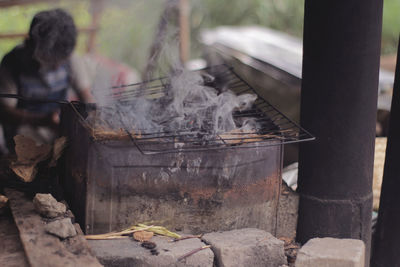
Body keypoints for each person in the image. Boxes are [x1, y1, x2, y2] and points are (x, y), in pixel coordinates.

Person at [0, 8, 91, 153]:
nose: (56, 65)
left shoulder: (70, 58)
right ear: (30, 45)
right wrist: (43, 120)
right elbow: (4, 111)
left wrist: (91, 118)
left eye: (60, 60)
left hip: (59, 133)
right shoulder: (12, 63)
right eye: (51, 60)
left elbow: (87, 99)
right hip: (23, 140)